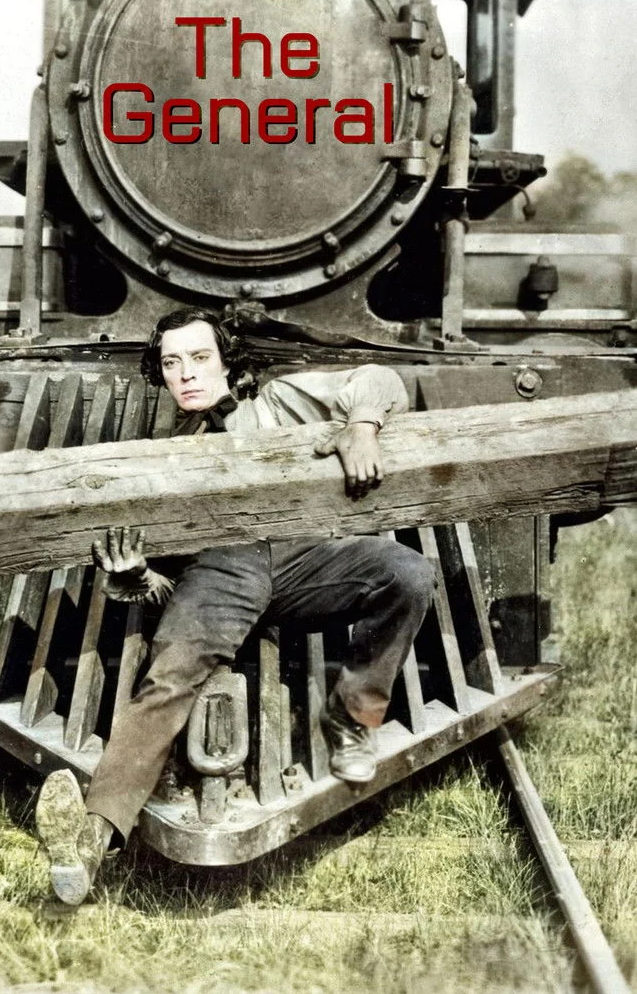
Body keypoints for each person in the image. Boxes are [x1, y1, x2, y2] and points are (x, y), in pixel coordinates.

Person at [36, 308, 436, 904]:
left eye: (200, 358)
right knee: (169, 675)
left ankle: (353, 717)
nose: (186, 374)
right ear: (161, 375)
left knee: (408, 573)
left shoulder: (277, 403)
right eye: (172, 364)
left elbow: (379, 379)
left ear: (227, 362)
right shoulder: (163, 458)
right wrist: (137, 576)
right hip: (220, 576)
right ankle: (93, 840)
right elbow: (164, 588)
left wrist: (362, 426)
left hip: (305, 559)